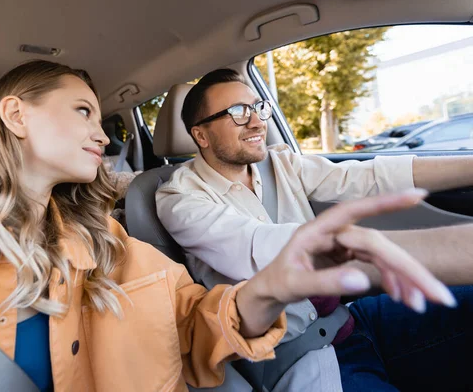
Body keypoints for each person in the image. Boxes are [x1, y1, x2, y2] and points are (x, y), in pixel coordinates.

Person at [0, 60, 454, 392]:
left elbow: (196, 328)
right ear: (16, 114)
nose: (104, 134)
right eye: (83, 112)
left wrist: (268, 290)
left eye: (103, 118)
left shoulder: (108, 243)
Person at [155, 68, 473, 392]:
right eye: (237, 112)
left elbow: (365, 177)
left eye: (257, 107)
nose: (256, 122)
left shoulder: (279, 162)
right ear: (201, 136)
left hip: (348, 320)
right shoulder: (178, 197)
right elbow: (258, 247)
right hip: (299, 356)